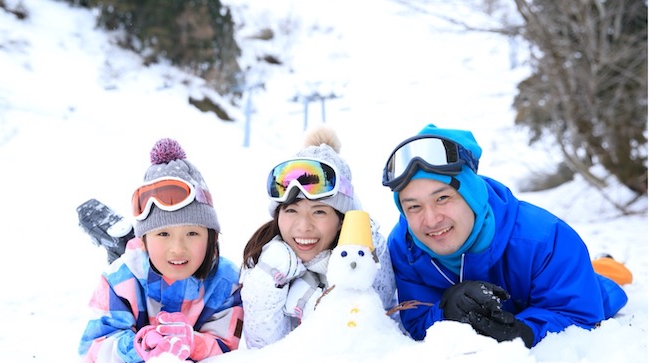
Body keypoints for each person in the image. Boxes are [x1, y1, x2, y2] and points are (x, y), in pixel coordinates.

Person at [382, 123, 631, 348]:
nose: (431, 219)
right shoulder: (405, 246)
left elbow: (581, 315)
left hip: (583, 283)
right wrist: (447, 310)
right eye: (414, 206)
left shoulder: (546, 238)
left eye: (443, 198)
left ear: (472, 195)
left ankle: (606, 266)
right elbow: (416, 321)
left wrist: (524, 332)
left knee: (605, 280)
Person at [78, 138, 244, 363]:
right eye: (163, 233)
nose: (178, 247)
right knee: (130, 263)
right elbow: (92, 349)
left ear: (212, 238)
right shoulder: (118, 281)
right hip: (140, 267)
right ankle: (122, 243)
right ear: (144, 241)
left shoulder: (226, 283)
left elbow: (227, 347)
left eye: (192, 233)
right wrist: (136, 346)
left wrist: (193, 343)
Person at [240, 125, 397, 348]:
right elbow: (265, 353)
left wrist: (363, 258)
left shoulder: (366, 257)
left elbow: (367, 338)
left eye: (319, 211)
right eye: (291, 210)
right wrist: (267, 279)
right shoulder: (264, 260)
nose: (303, 227)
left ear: (342, 219)